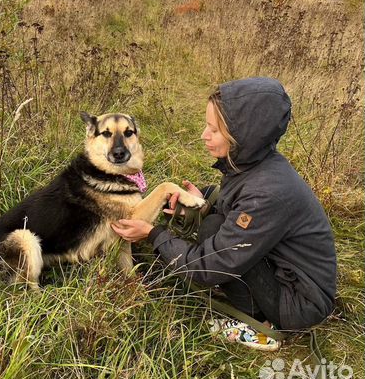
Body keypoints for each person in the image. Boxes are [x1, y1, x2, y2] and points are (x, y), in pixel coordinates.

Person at [112, 77, 337, 350]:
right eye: (206, 125)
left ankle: (262, 325)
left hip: (300, 303)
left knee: (213, 235)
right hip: (289, 275)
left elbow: (208, 267)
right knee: (213, 223)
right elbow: (239, 207)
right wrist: (204, 200)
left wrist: (153, 234)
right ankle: (255, 301)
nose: (204, 135)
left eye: (214, 130)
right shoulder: (254, 162)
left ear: (243, 136)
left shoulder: (267, 193)